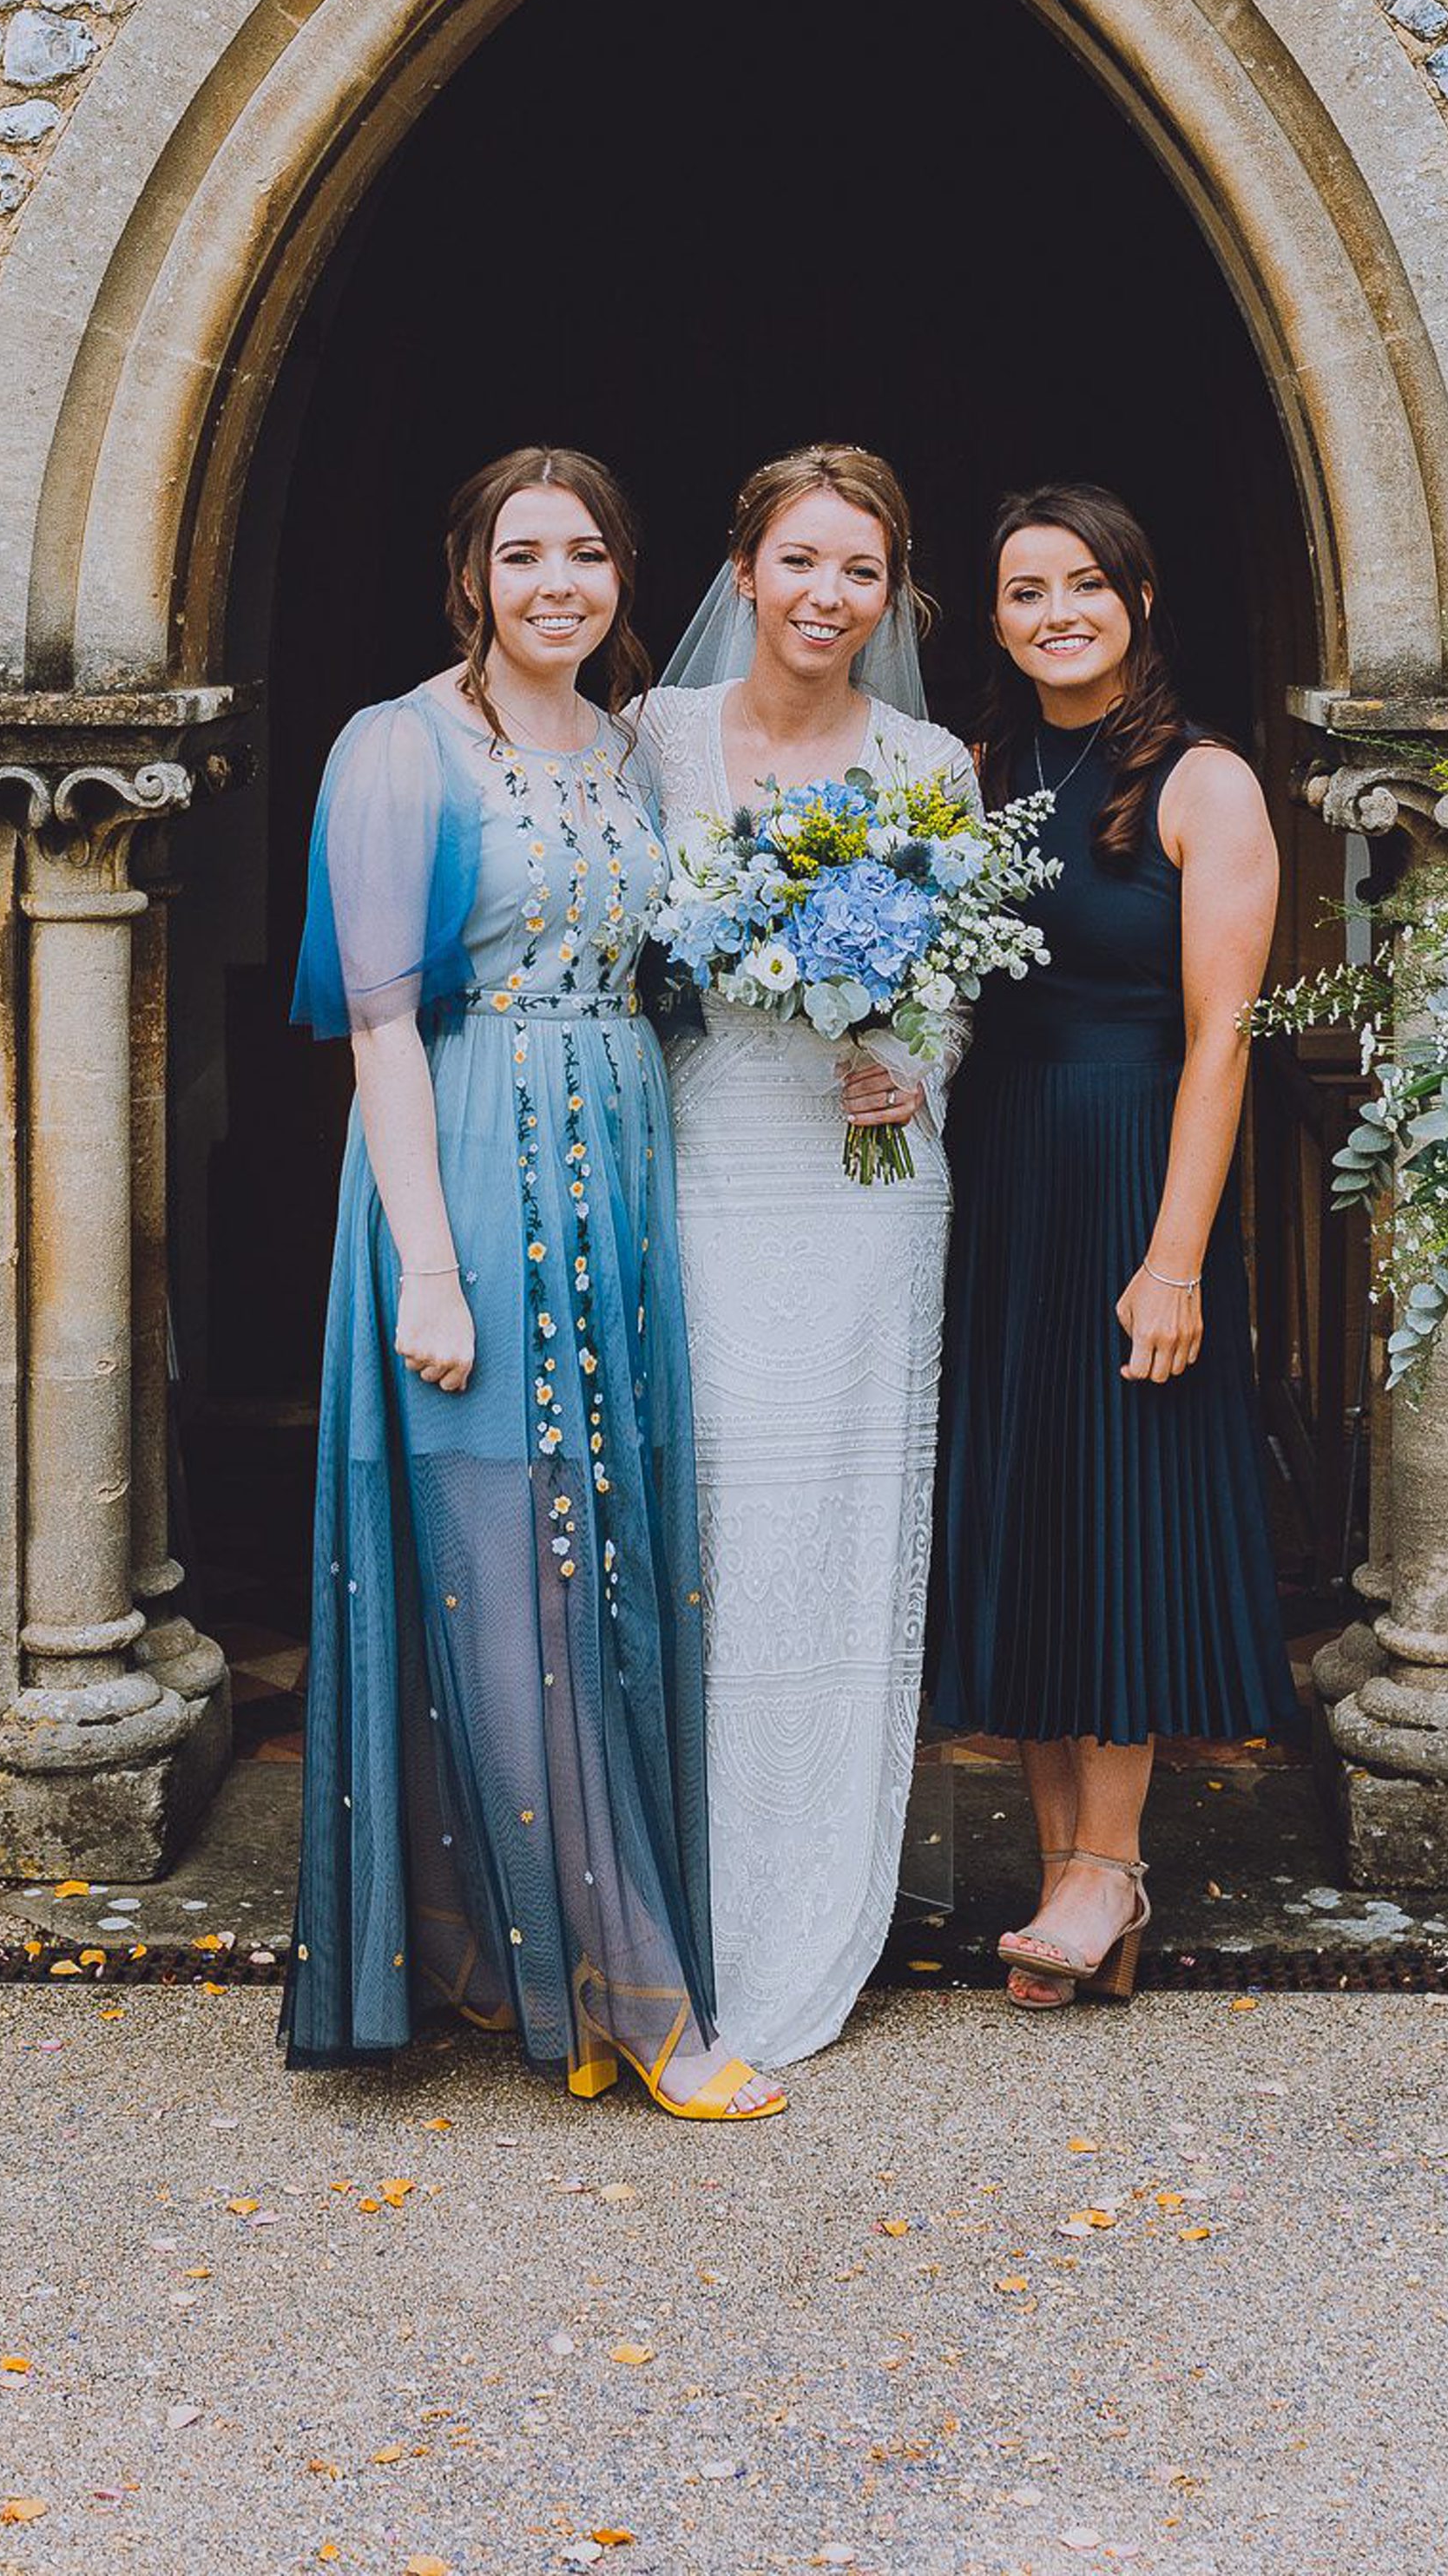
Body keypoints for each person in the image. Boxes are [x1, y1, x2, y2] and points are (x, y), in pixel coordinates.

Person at [280, 447, 781, 2121]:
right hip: (474, 1161)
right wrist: (428, 1263)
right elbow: (376, 1023)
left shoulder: (638, 750)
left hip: (618, 1161)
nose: (556, 581)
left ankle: (530, 1960)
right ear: (472, 572)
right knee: (524, 1567)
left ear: (623, 574)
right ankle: (640, 1995)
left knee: (608, 1559)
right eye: (523, 553)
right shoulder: (401, 749)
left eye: (586, 553)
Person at [635, 446, 977, 2065]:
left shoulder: (928, 760)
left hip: (868, 1177)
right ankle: (684, 1906)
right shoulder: (659, 739)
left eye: (860, 571)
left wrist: (921, 1061)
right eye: (799, 561)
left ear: (892, 592)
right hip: (715, 1157)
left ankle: (816, 1906)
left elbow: (962, 984)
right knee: (708, 1514)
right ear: (746, 568)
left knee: (842, 1522)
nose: (827, 597)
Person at [933, 482, 1294, 2006]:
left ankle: (1108, 1866)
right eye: (1025, 589)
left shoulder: (1206, 784)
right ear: (997, 614)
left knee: (1121, 1505)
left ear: (1139, 600)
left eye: (1085, 583)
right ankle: (1064, 1878)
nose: (1055, 611)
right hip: (1001, 1170)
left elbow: (1223, 1036)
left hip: (1140, 1159)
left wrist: (1177, 1255)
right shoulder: (974, 770)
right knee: (1028, 1506)